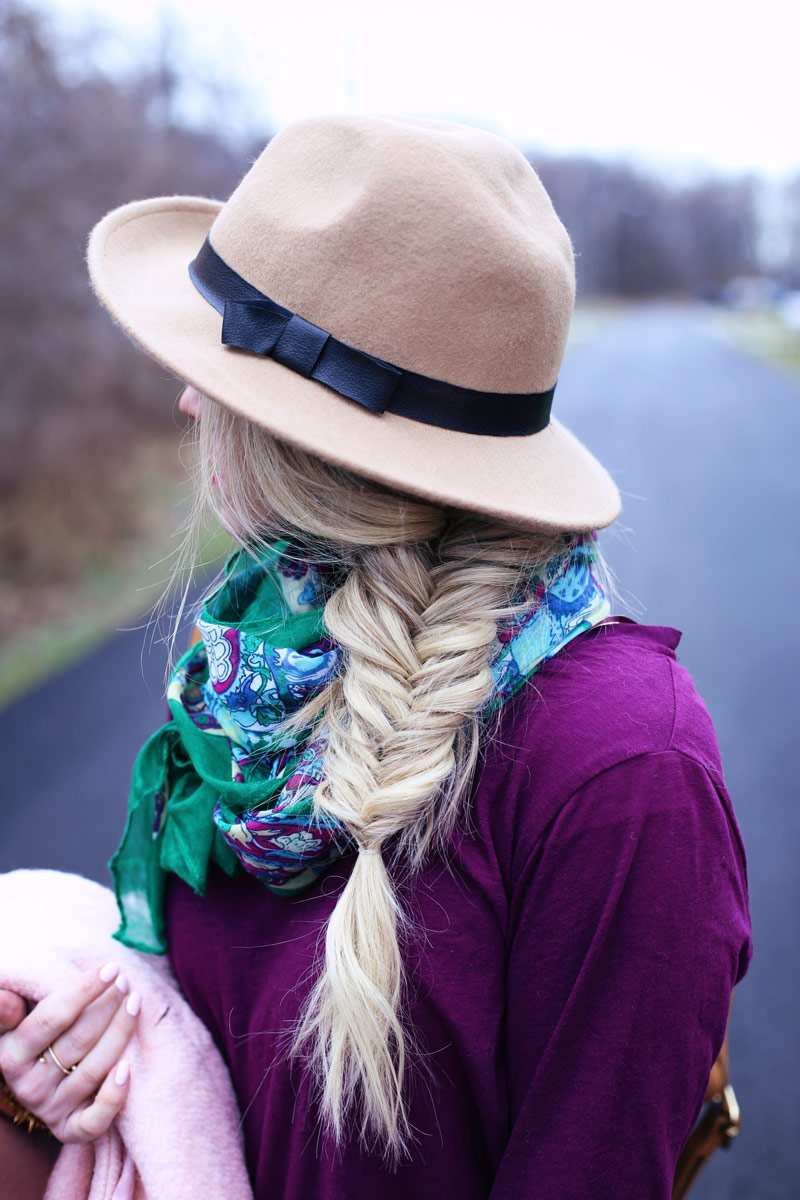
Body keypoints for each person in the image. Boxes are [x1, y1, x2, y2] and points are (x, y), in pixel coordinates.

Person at [0, 116, 752, 1198]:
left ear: (314, 444)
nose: (184, 398)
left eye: (219, 366)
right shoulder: (260, 663)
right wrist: (97, 1069)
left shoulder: (622, 768)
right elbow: (218, 1047)